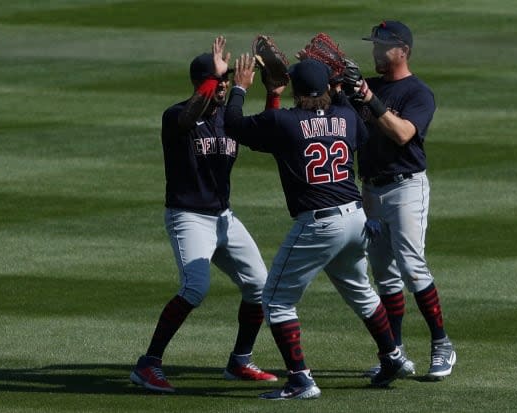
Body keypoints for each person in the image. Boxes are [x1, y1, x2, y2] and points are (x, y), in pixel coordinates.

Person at [224, 55, 406, 400]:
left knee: (275, 301)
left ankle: (300, 379)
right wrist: (338, 94)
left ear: (295, 89)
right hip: (356, 219)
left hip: (320, 224)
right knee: (362, 292)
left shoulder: (286, 122)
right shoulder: (348, 116)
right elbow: (362, 132)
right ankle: (393, 355)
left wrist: (240, 88)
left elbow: (234, 126)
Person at [129, 36, 277, 394]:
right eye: (218, 81)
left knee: (260, 286)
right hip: (189, 217)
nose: (224, 87)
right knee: (195, 288)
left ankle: (240, 361)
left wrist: (274, 91)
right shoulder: (177, 116)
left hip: (224, 217)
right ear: (202, 82)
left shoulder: (229, 119)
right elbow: (189, 116)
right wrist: (215, 76)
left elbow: (271, 131)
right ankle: (148, 365)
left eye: (226, 82)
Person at [350, 20, 456, 380]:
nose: (376, 52)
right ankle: (394, 355)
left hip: (406, 188)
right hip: (371, 189)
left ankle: (442, 345)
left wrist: (367, 97)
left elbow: (403, 134)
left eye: (383, 46)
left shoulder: (418, 93)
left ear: (403, 50)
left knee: (411, 265)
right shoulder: (370, 86)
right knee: (384, 275)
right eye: (374, 45)